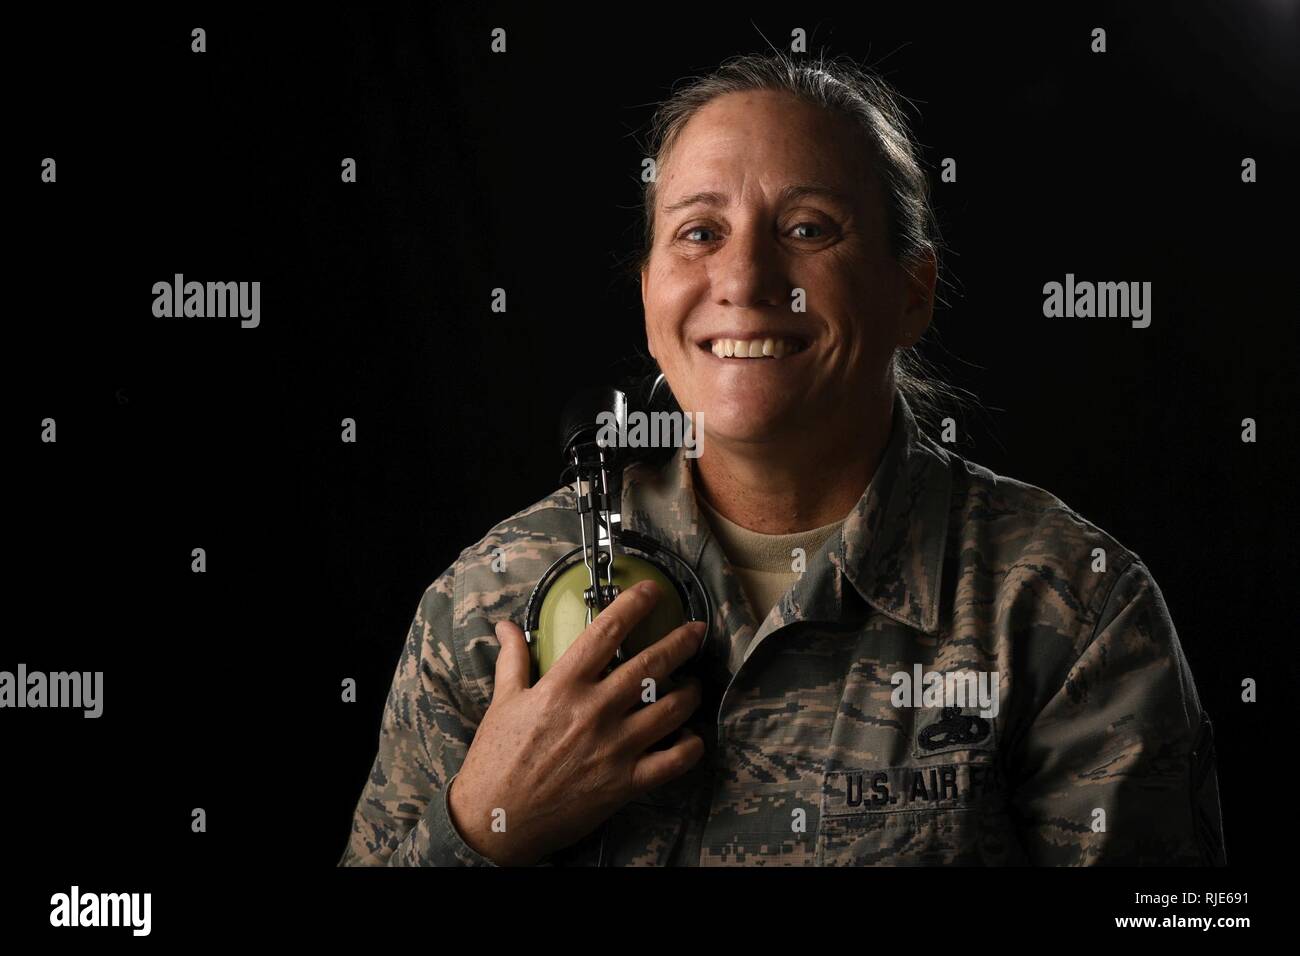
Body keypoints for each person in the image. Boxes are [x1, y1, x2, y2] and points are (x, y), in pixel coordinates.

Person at [338, 52, 1226, 866]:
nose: (749, 279)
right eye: (697, 232)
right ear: (649, 294)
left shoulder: (1068, 610)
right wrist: (482, 826)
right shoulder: (494, 603)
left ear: (911, 290)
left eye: (808, 228)